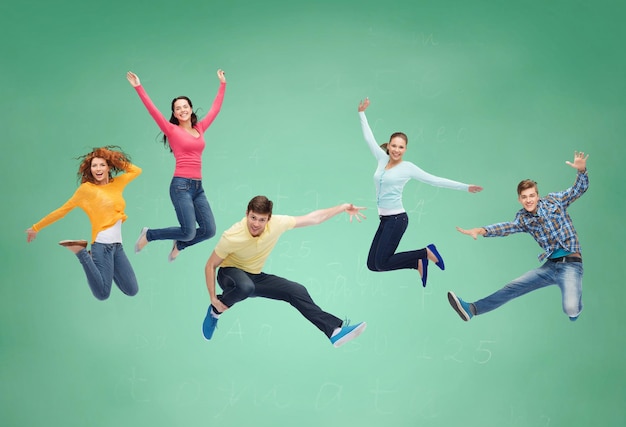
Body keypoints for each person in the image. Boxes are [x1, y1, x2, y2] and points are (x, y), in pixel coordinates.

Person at [203, 196, 367, 347]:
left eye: (262, 220)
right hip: (229, 274)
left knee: (297, 290)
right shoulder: (232, 236)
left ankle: (334, 331)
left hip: (254, 276)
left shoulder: (277, 223)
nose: (256, 224)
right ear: (247, 213)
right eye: (253, 217)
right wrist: (213, 298)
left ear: (269, 219)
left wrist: (343, 207)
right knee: (245, 287)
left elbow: (313, 218)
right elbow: (210, 265)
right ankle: (215, 310)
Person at [447, 151, 589, 322]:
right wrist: (481, 230)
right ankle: (471, 309)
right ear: (519, 200)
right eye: (524, 197)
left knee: (571, 309)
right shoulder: (523, 218)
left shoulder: (554, 201)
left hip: (571, 266)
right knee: (512, 287)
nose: (528, 200)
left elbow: (577, 190)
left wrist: (581, 170)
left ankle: (575, 310)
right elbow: (507, 227)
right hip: (550, 267)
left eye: (531, 196)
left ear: (537, 196)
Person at [357, 98, 483, 287]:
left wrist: (465, 187)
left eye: (401, 147)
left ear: (405, 149)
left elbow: (435, 180)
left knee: (382, 262)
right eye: (394, 146)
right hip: (384, 220)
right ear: (389, 146)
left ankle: (425, 253)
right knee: (372, 265)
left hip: (397, 220)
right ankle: (416, 262)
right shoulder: (381, 159)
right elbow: (369, 138)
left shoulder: (408, 168)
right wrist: (361, 113)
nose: (396, 150)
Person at [126, 68, 226, 262]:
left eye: (185, 106)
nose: (182, 110)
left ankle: (179, 244)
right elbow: (152, 111)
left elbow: (215, 109)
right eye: (177, 108)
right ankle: (149, 234)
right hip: (181, 186)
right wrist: (139, 87)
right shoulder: (171, 130)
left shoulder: (200, 128)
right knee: (188, 231)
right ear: (174, 113)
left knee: (209, 230)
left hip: (198, 187)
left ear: (191, 108)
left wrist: (222, 84)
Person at [25, 146, 142, 300]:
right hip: (102, 245)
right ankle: (81, 252)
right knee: (102, 294)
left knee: (132, 290)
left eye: (102, 165)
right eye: (94, 165)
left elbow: (136, 171)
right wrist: (36, 227)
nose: (98, 169)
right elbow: (63, 210)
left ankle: (90, 258)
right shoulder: (86, 190)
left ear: (108, 167)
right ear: (90, 169)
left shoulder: (117, 184)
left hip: (117, 247)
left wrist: (112, 158)